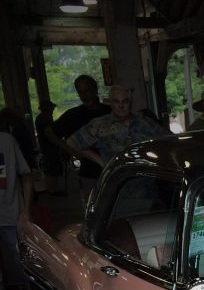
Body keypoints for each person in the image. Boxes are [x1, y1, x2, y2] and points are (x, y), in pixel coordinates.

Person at [44, 75, 110, 206]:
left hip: (111, 168)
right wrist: (71, 151)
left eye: (87, 91)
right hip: (89, 172)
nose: (84, 95)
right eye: (80, 92)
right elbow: (49, 132)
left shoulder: (109, 111)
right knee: (94, 208)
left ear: (95, 89)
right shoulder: (74, 115)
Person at [67, 84, 170, 167]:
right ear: (110, 103)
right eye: (116, 101)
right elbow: (72, 142)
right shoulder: (100, 124)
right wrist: (101, 162)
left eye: (125, 101)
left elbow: (169, 140)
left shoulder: (145, 122)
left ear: (131, 102)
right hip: (118, 184)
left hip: (147, 183)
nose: (121, 106)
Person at [0, 124, 33, 290]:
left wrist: (25, 211)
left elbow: (27, 176)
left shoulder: (7, 141)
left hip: (11, 217)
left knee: (26, 270)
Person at [35, 101, 65, 195]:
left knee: (52, 169)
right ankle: (51, 190)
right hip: (49, 147)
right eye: (51, 108)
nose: (53, 110)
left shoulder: (43, 118)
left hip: (49, 146)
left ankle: (52, 190)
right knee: (52, 169)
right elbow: (49, 133)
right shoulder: (44, 119)